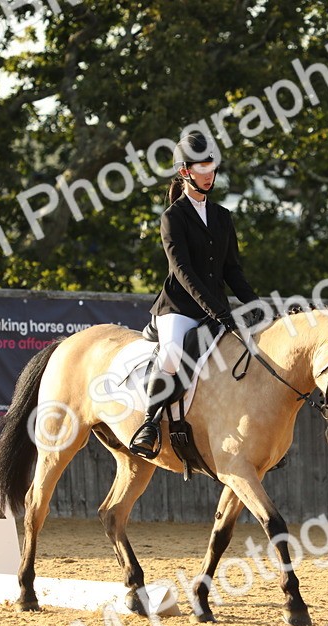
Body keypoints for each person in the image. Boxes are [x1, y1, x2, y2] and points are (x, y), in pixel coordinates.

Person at [129, 131, 265, 458]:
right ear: (184, 171)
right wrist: (218, 310)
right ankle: (150, 422)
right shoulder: (172, 217)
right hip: (179, 308)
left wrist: (254, 303)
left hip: (217, 309)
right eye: (202, 168)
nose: (209, 174)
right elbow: (183, 271)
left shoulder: (222, 216)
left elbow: (232, 270)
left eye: (212, 167)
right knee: (173, 353)